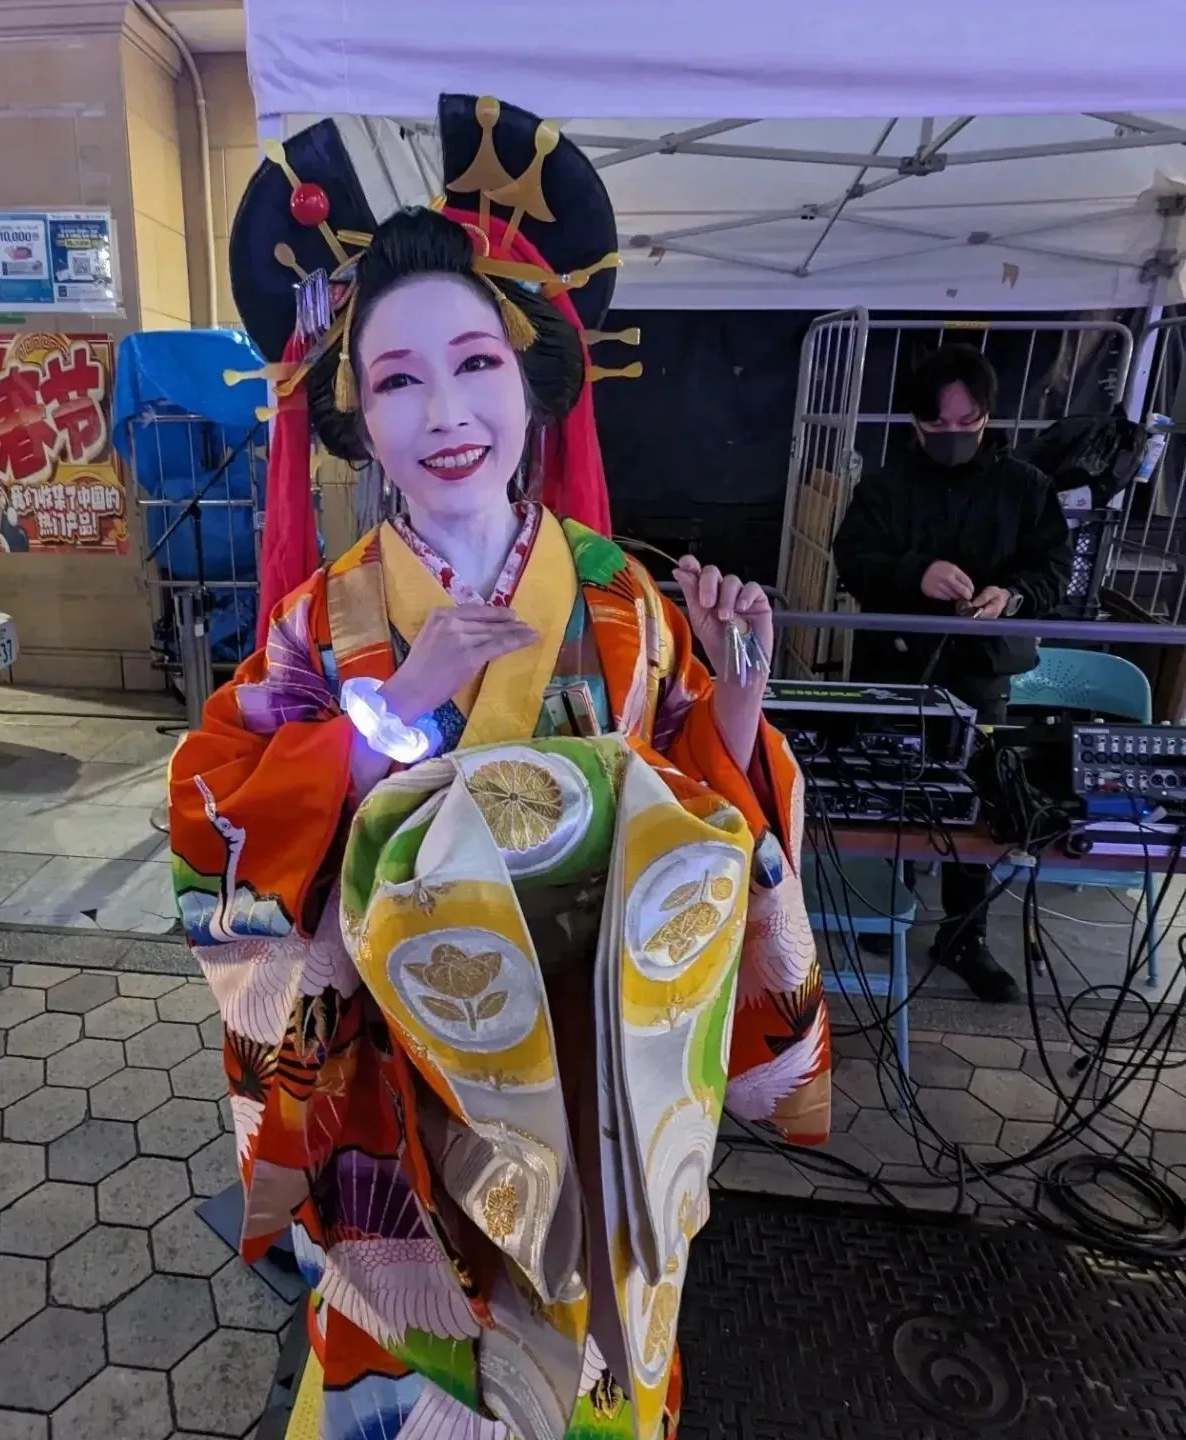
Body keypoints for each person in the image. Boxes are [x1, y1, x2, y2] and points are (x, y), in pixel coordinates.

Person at [169, 96, 832, 1440]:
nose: (446, 411)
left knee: (591, 1371)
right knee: (411, 1381)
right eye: (399, 378)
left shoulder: (623, 603)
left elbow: (703, 827)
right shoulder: (327, 621)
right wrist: (386, 715)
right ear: (355, 410)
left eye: (475, 364)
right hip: (396, 1085)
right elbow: (210, 817)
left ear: (532, 387)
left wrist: (740, 709)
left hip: (591, 1075)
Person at [833, 344, 1071, 1003]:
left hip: (980, 669)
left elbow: (1055, 569)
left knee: (977, 799)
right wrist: (916, 571)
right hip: (895, 661)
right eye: (939, 429)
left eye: (968, 426)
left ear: (988, 418)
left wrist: (1012, 596)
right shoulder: (885, 487)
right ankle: (888, 901)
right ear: (915, 425)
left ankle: (965, 933)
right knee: (890, 787)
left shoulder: (1025, 488)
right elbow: (852, 559)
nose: (955, 439)